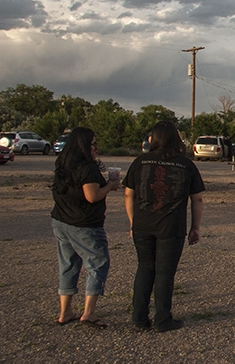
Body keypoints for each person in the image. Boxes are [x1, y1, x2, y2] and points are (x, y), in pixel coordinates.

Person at [123, 121, 204, 332]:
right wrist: (195, 227)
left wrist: (132, 222)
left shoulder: (140, 162)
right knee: (165, 273)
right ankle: (162, 319)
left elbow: (129, 194)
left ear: (153, 139)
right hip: (171, 226)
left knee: (144, 267)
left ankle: (139, 318)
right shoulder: (185, 165)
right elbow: (197, 199)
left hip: (143, 224)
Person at [51, 127, 119, 328]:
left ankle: (65, 311)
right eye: (93, 144)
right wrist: (110, 186)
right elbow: (92, 196)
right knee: (98, 264)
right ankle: (89, 313)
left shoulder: (63, 164)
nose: (96, 148)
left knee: (68, 265)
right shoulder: (87, 168)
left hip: (61, 221)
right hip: (84, 224)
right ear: (83, 145)